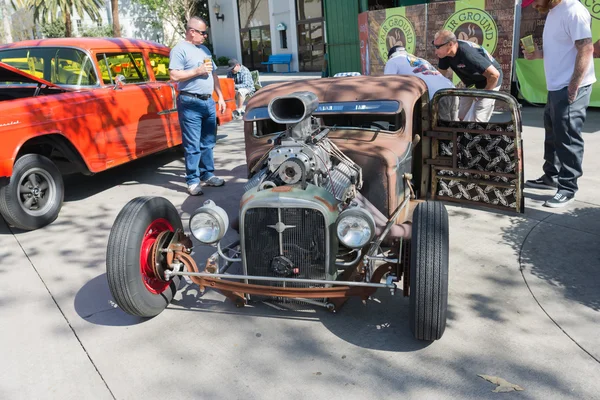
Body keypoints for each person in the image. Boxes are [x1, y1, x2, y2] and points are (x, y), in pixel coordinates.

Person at [521, 0, 595, 208]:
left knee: (567, 135)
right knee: (553, 132)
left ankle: (568, 187)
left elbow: (586, 48)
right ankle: (551, 177)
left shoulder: (573, 11)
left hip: (571, 85)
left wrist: (574, 85)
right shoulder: (553, 11)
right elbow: (562, 48)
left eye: (535, 0)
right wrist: (538, 54)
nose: (533, 4)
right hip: (556, 86)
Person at [169, 16, 227, 196]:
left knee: (208, 142)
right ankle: (193, 180)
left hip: (208, 101)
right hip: (190, 102)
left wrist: (221, 97)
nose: (205, 36)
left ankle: (208, 175)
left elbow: (214, 74)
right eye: (203, 33)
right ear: (191, 31)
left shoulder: (204, 50)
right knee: (192, 144)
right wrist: (197, 71)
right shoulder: (179, 50)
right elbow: (174, 76)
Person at [432, 30, 503, 122]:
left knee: (478, 117)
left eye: (437, 47)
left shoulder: (467, 53)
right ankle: (462, 134)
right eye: (434, 46)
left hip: (490, 81)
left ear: (450, 44)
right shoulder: (445, 54)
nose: (435, 51)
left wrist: (484, 94)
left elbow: (494, 75)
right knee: (462, 115)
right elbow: (440, 77)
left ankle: (476, 134)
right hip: (472, 82)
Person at [384, 45, 457, 121]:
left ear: (391, 56)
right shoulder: (420, 60)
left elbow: (387, 86)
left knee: (442, 128)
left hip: (437, 95)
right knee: (454, 127)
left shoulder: (392, 61)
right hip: (451, 88)